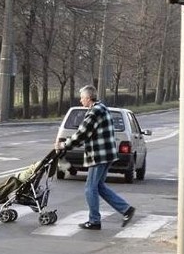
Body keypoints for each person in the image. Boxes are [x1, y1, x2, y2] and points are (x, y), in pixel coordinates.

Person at [58, 85, 135, 230]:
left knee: (89, 188)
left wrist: (64, 145)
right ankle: (126, 209)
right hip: (106, 154)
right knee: (98, 186)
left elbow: (82, 134)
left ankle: (94, 221)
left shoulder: (95, 111)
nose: (81, 101)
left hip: (99, 155)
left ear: (88, 98)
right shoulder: (101, 108)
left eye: (82, 98)